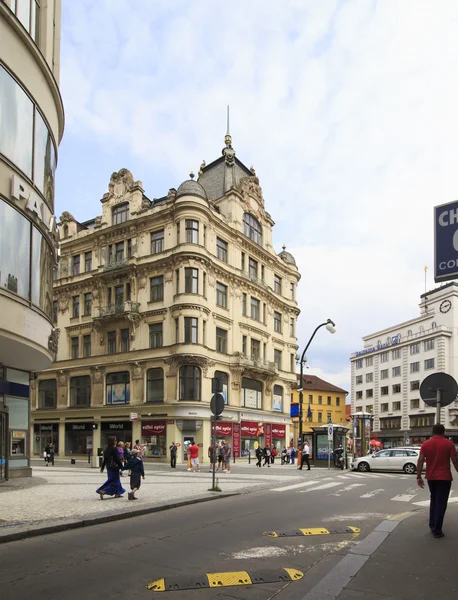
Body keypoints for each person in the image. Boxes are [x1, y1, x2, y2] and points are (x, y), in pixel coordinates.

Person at [417, 424, 458, 538]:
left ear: (432, 432)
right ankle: (437, 530)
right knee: (441, 503)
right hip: (444, 477)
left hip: (431, 477)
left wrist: (418, 476)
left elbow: (420, 460)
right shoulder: (449, 444)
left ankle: (432, 524)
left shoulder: (426, 444)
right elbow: (454, 460)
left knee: (434, 500)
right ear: (443, 432)